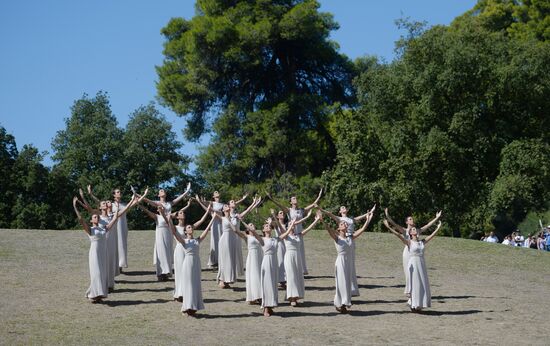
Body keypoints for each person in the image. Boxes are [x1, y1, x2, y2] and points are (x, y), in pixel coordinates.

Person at [73, 192, 141, 303]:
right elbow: (82, 219)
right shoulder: (91, 229)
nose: (96, 217)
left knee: (103, 272)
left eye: (97, 217)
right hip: (94, 253)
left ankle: (99, 294)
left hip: (104, 250)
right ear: (92, 220)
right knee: (96, 273)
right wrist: (76, 205)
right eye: (94, 217)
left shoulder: (104, 228)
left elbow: (115, 218)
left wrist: (123, 204)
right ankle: (94, 294)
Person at [162, 207, 214, 317]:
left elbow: (205, 232)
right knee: (189, 284)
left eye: (191, 227)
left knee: (195, 284)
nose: (191, 228)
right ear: (186, 231)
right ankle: (186, 306)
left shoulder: (196, 240)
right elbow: (174, 232)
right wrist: (169, 219)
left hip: (196, 264)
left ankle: (193, 307)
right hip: (187, 264)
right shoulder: (184, 241)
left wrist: (212, 220)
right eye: (189, 227)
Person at [383, 219, 442, 312]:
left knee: (422, 283)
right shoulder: (409, 242)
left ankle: (420, 304)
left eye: (415, 229)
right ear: (410, 233)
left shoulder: (422, 242)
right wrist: (388, 227)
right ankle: (413, 303)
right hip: (413, 265)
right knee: (415, 284)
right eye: (413, 229)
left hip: (421, 264)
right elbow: (398, 235)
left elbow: (431, 236)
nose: (415, 230)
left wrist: (438, 228)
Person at [321, 211, 373, 313]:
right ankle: (339, 303)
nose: (344, 224)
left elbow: (362, 229)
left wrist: (368, 219)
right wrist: (322, 220)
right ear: (339, 228)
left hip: (348, 262)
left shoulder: (351, 237)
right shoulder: (337, 238)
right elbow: (328, 230)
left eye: (345, 223)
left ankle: (344, 303)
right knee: (341, 282)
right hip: (340, 262)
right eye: (342, 224)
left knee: (347, 282)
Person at [267, 189, 323, 275]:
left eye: (296, 198)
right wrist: (271, 198)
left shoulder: (301, 210)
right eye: (293, 198)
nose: (295, 199)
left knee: (300, 252)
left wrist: (319, 195)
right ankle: (288, 271)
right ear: (290, 202)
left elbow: (313, 205)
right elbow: (279, 204)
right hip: (290, 233)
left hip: (299, 233)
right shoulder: (289, 210)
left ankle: (301, 270)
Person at [274, 210, 320, 307]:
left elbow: (308, 228)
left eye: (293, 224)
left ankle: (295, 296)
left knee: (298, 276)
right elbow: (279, 226)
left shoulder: (298, 235)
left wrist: (316, 220)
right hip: (289, 257)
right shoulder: (285, 235)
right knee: (291, 277)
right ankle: (291, 298)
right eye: (291, 224)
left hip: (297, 257)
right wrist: (275, 216)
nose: (293, 225)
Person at [195, 191, 247, 269]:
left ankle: (221, 259)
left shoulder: (223, 205)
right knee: (215, 240)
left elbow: (233, 204)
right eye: (215, 193)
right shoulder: (212, 203)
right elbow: (206, 206)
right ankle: (214, 261)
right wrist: (200, 201)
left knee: (222, 240)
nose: (217, 193)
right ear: (213, 196)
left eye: (218, 193)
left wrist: (242, 199)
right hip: (215, 222)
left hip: (222, 223)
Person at [173, 202, 211, 302]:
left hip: (188, 249)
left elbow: (201, 221)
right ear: (177, 217)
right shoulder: (175, 227)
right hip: (179, 249)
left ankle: (185, 293)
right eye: (180, 213)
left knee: (186, 272)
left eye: (183, 212)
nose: (183, 214)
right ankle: (178, 293)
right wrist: (165, 215)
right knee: (179, 272)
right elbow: (170, 227)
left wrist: (208, 211)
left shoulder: (189, 226)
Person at [138, 202, 175, 281]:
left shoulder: (169, 216)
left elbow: (169, 221)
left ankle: (167, 272)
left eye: (162, 207)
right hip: (160, 237)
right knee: (161, 253)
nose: (161, 208)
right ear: (158, 210)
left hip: (167, 236)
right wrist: (139, 204)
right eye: (159, 207)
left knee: (167, 253)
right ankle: (160, 273)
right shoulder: (156, 216)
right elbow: (147, 211)